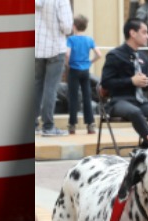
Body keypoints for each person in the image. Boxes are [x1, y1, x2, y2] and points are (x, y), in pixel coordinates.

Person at [104, 18, 148, 149]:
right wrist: (131, 81)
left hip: (140, 101)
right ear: (132, 33)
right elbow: (106, 82)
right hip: (119, 101)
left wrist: (146, 83)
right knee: (135, 112)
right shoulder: (115, 55)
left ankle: (144, 148)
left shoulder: (143, 57)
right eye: (144, 32)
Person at [36, 0, 74, 137]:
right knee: (50, 89)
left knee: (36, 87)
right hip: (55, 48)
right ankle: (48, 126)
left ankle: (33, 124)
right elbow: (67, 27)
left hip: (35, 47)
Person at [66, 15, 102, 135]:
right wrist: (90, 62)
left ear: (74, 26)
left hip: (74, 70)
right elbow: (99, 54)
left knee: (73, 97)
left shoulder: (71, 40)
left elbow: (67, 54)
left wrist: (68, 64)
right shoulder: (89, 40)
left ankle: (72, 125)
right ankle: (90, 125)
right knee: (87, 96)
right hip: (85, 71)